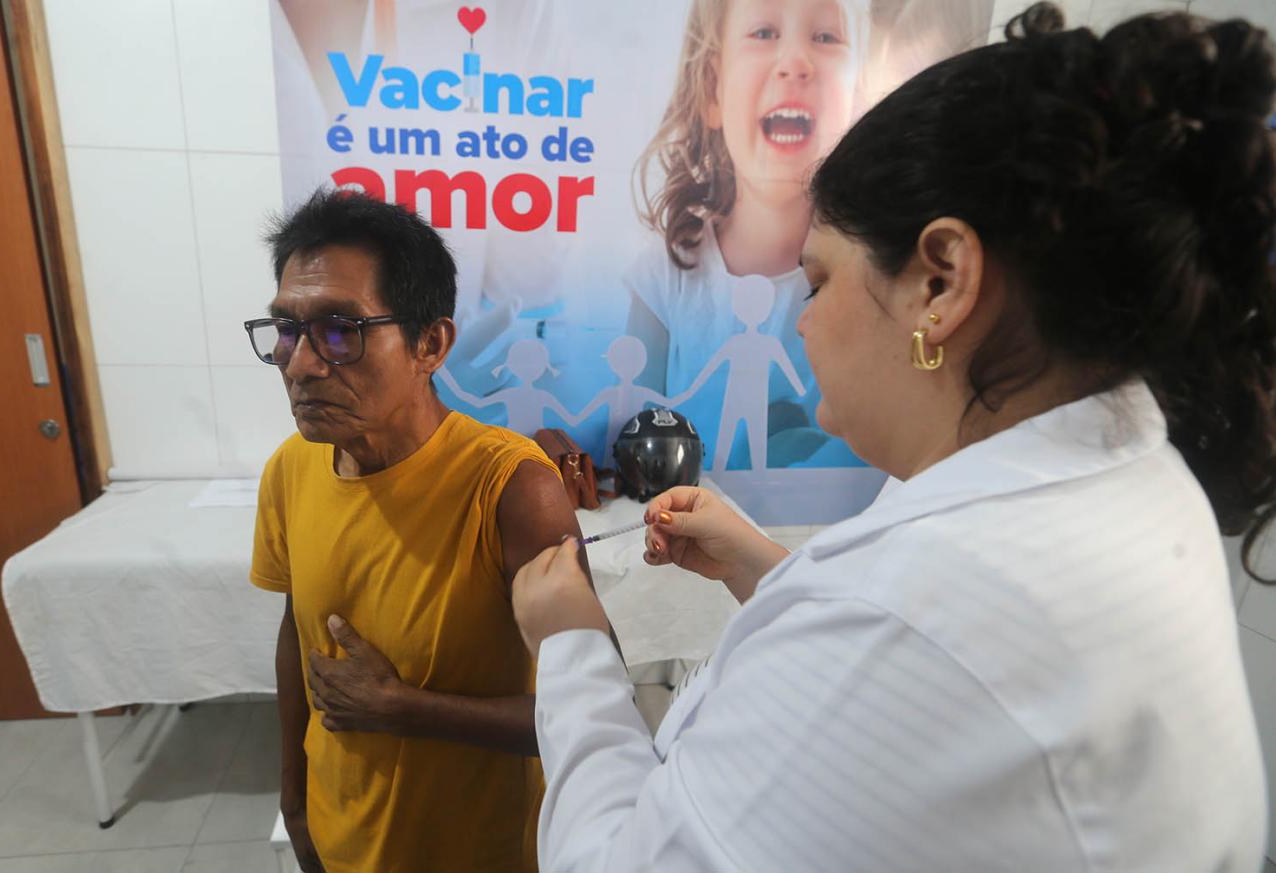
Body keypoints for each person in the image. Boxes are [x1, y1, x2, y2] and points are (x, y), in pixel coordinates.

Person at [512, 5, 1275, 870]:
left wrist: (572, 646)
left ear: (941, 282)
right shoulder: (1122, 466)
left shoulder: (915, 609)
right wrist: (766, 569)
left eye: (820, 280)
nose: (803, 321)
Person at [246, 190, 584, 873]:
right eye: (286, 329)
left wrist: (403, 708)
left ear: (430, 344)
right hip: (339, 836)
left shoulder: (513, 489)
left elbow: (586, 712)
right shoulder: (291, 468)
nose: (300, 364)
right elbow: (297, 633)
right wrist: (294, 795)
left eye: (339, 329)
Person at [626, 0, 875, 470]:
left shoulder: (875, 275)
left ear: (858, 97)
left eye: (825, 37)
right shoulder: (664, 271)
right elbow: (632, 427)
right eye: (763, 33)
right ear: (712, 90)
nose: (795, 62)